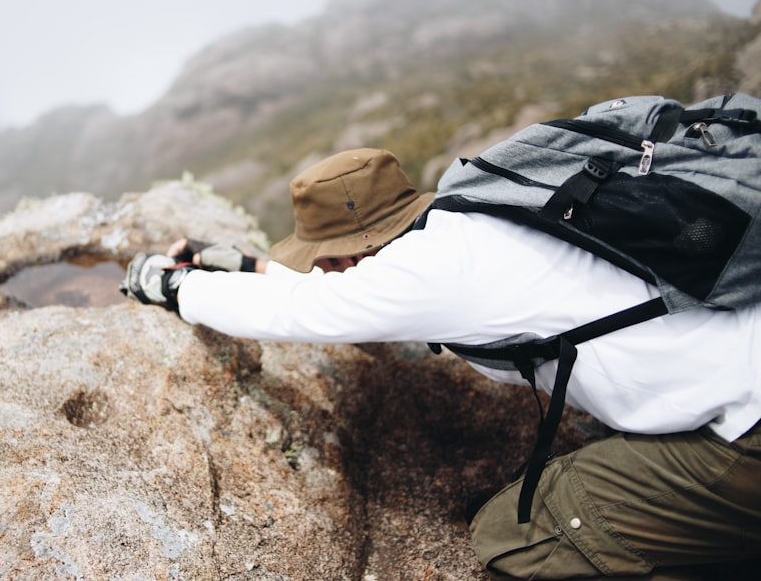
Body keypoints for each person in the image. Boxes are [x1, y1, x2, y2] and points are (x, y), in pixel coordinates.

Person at [121, 147, 761, 580]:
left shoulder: (427, 273)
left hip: (745, 435)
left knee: (517, 535)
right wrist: (244, 264)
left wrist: (172, 287)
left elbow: (304, 311)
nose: (320, 267)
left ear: (356, 249)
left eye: (325, 255)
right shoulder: (476, 213)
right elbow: (334, 292)